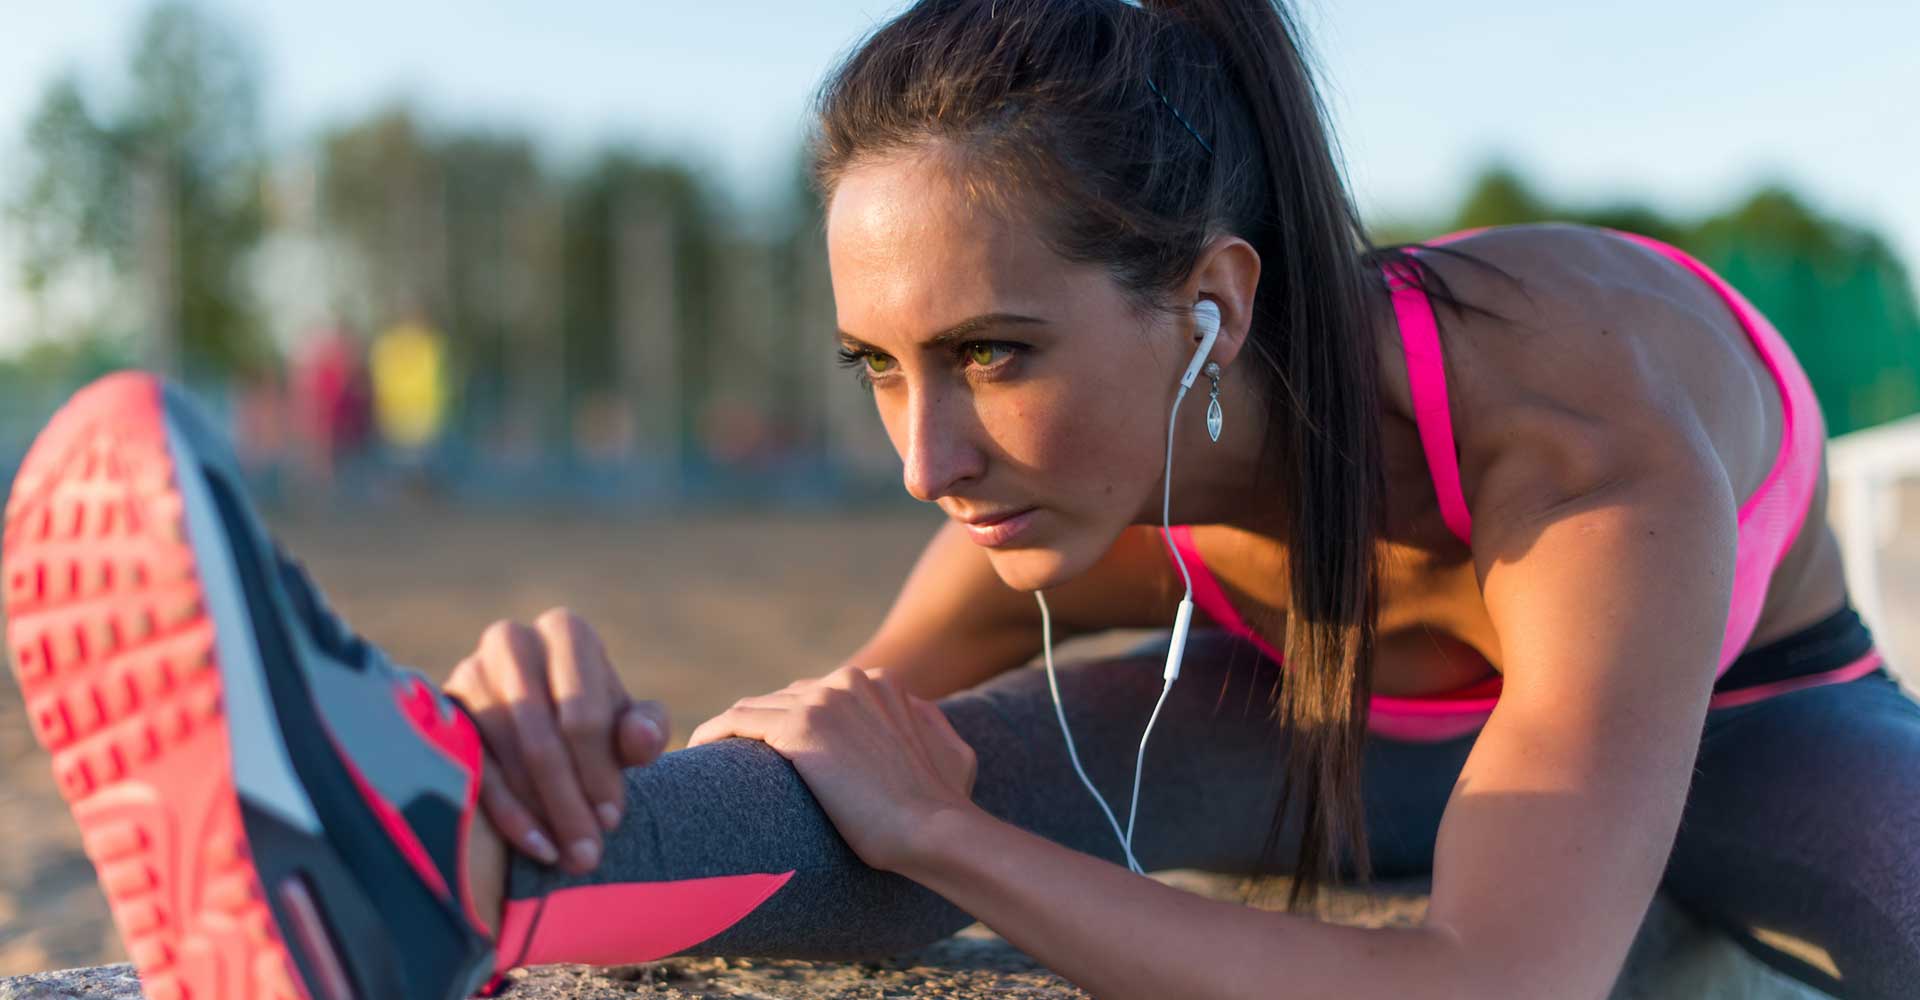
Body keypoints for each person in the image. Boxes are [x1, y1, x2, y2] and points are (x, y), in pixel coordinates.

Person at [5, 2, 1916, 998]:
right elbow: (834, 748)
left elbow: (1504, 987)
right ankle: (411, 851)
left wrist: (971, 850)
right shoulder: (1084, 468)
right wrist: (562, 762)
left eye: (990, 354)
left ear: (1208, 305)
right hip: (1315, 709)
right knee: (885, 774)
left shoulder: (1581, 453)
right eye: (880, 369)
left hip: (1756, 728)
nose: (924, 460)